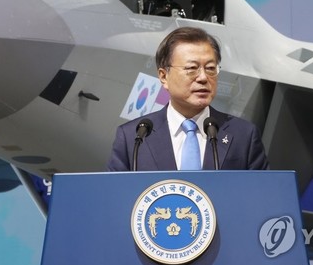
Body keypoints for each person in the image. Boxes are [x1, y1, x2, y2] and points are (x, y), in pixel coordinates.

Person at [107, 26, 269, 171]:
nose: (203, 78)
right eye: (192, 68)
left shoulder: (244, 135)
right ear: (164, 76)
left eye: (211, 68)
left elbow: (264, 197)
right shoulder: (133, 137)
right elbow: (114, 198)